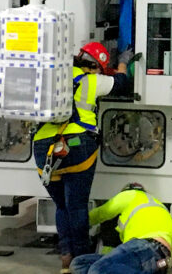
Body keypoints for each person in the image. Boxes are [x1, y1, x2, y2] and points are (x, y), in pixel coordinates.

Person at [34, 42, 133, 274]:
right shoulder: (92, 81)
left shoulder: (53, 75)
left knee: (61, 206)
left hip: (43, 148)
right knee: (76, 205)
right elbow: (121, 83)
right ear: (97, 66)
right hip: (77, 147)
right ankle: (81, 258)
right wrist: (123, 62)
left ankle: (66, 256)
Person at [70, 182, 172, 274]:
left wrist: (76, 223)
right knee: (80, 263)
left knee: (98, 270)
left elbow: (102, 213)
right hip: (160, 260)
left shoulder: (131, 194)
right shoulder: (160, 207)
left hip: (144, 246)